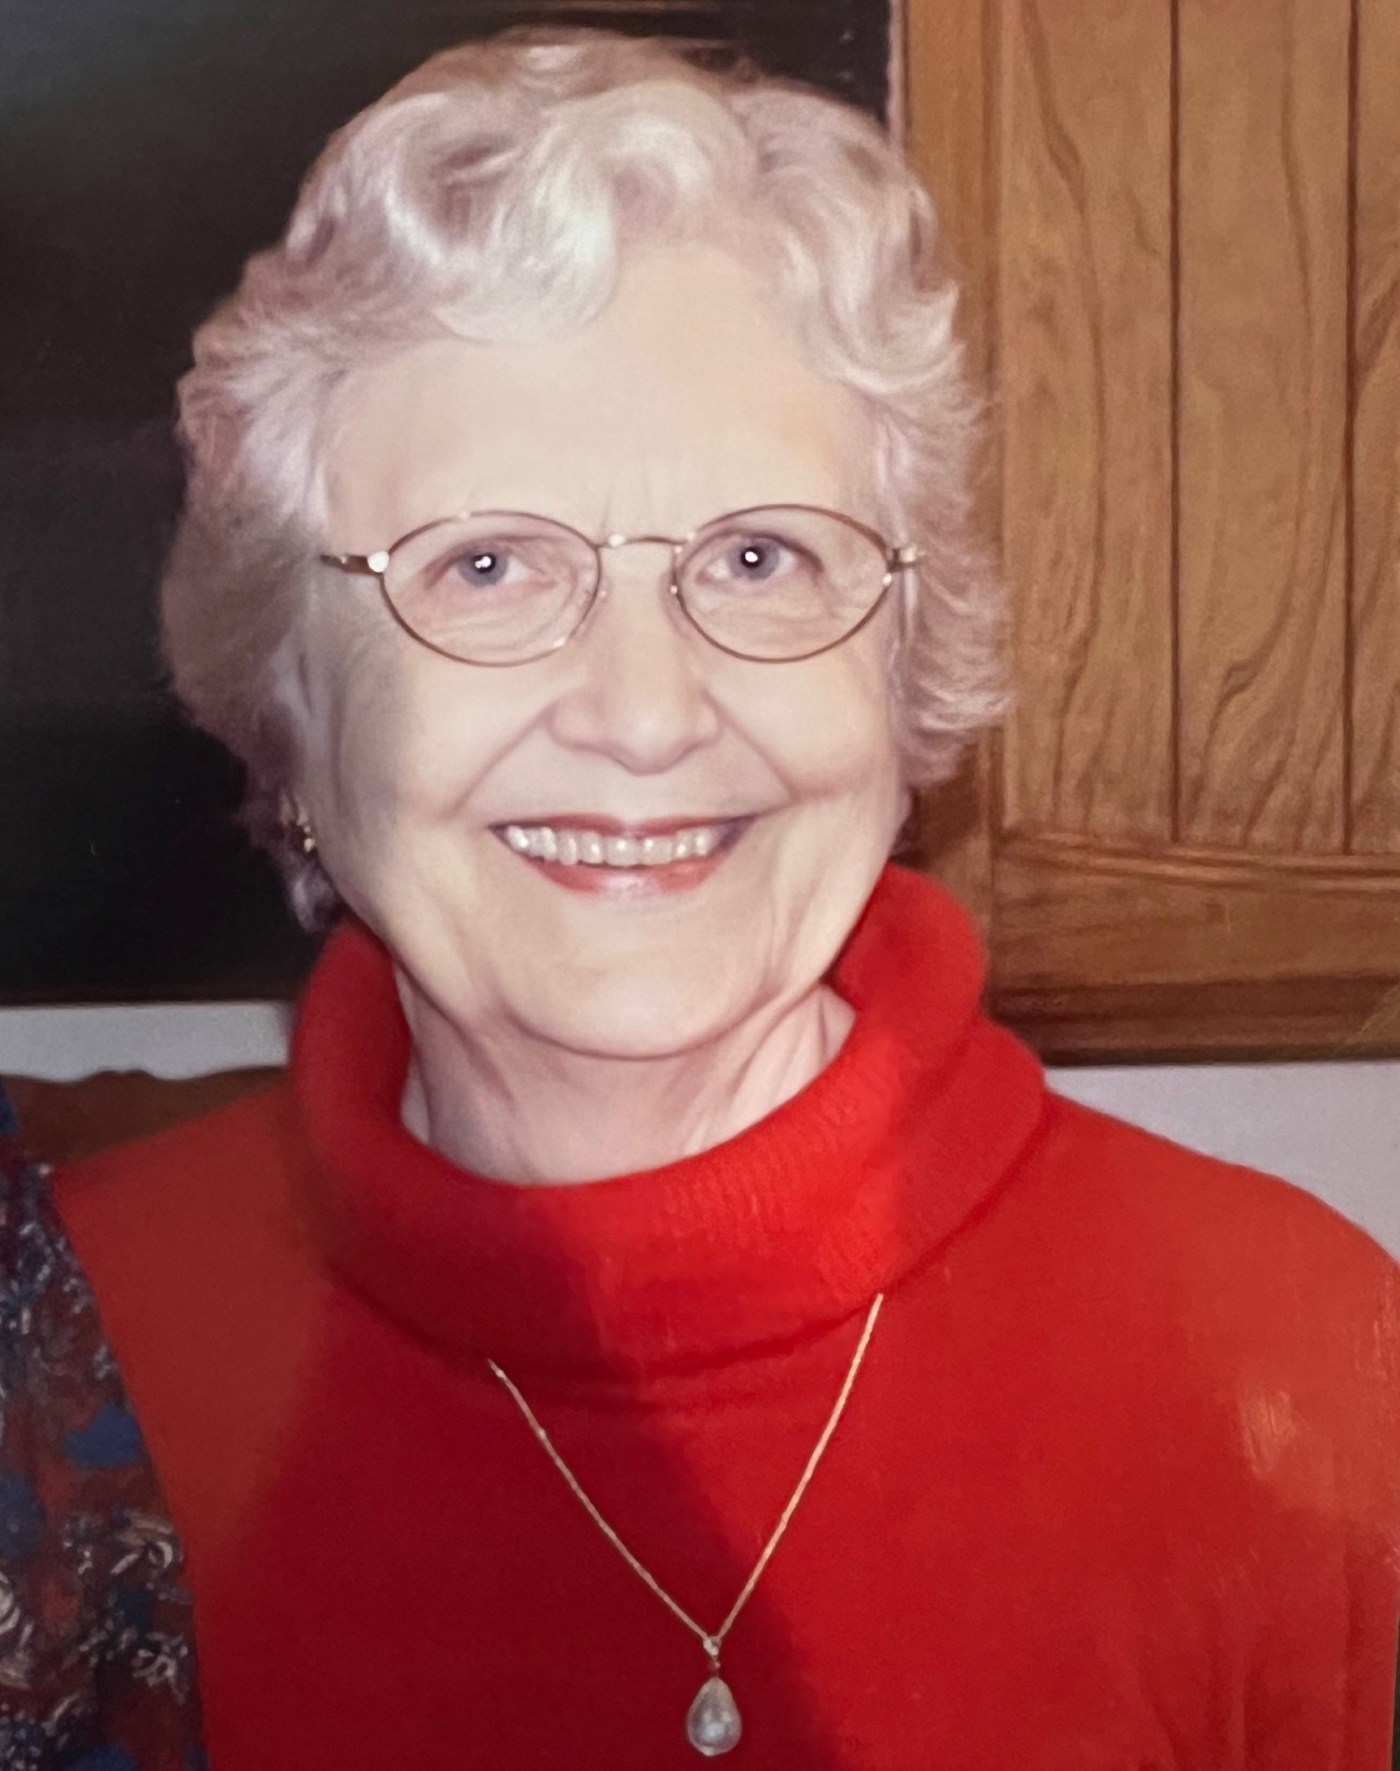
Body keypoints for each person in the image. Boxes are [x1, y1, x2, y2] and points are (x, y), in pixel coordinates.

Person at [4, 27, 1398, 1770]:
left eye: (759, 557)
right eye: (487, 565)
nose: (648, 713)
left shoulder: (1297, 1372)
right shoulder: (56, 1385)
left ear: (904, 676)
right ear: (293, 698)